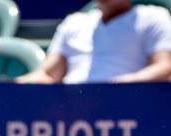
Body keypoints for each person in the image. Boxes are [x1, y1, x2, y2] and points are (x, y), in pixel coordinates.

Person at [17, 0, 171, 83]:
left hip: (126, 109)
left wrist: (125, 84)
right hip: (71, 112)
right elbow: (48, 74)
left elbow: (165, 66)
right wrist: (11, 87)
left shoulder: (154, 17)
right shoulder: (73, 22)